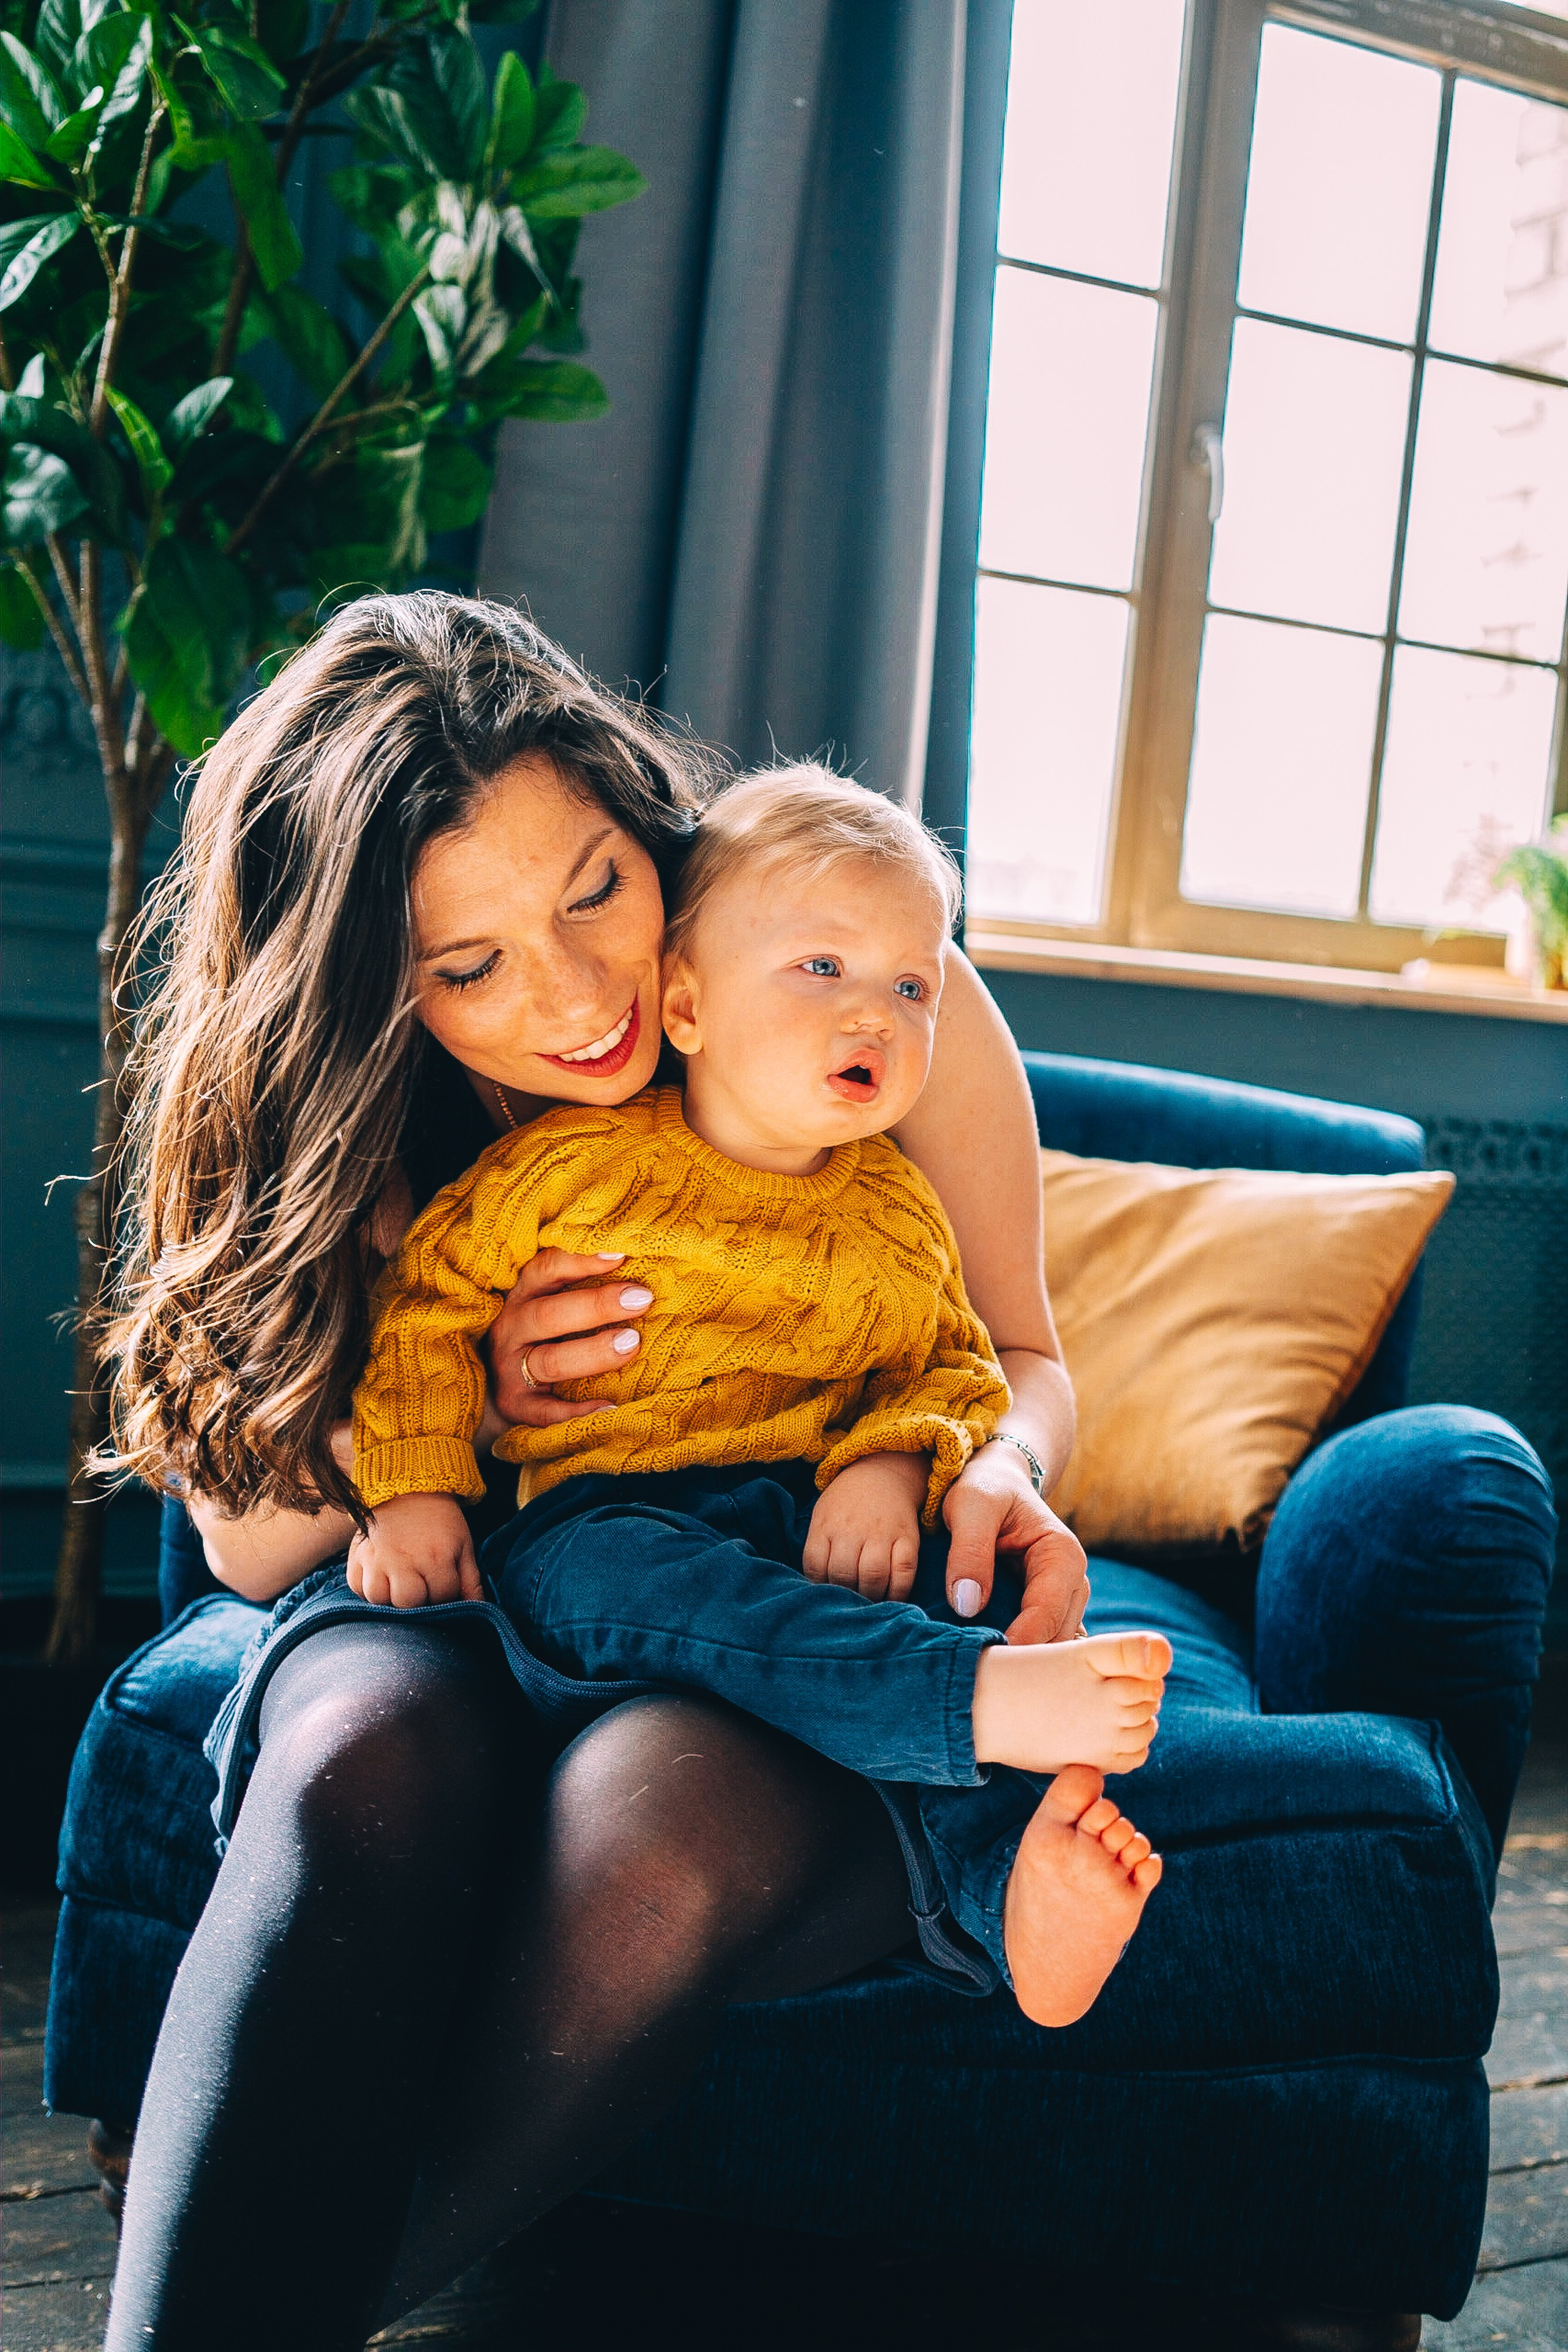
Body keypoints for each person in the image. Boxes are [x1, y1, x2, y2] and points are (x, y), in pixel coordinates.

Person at [97, 594, 1101, 2351]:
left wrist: (992, 1468)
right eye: (467, 968)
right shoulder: (356, 1106)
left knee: (651, 1823)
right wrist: (465, 1402)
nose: (574, 998)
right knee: (358, 1762)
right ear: (371, 992)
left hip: (765, 1584)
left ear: (652, 838)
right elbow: (248, 1549)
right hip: (467, 1579)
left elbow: (1016, 1352)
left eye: (597, 896)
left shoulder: (843, 962)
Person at [345, 765, 1172, 2021]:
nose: (876, 1016)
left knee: (949, 1591)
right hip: (606, 1525)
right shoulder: (564, 1165)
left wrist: (890, 1467)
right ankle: (970, 1713)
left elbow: (953, 1367)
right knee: (643, 1576)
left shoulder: (894, 1211)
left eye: (911, 988)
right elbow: (427, 1309)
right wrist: (413, 1489)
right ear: (684, 1004)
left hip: (796, 1527)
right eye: (820, 971)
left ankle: (1008, 1893)